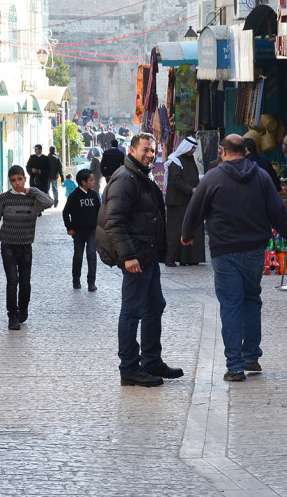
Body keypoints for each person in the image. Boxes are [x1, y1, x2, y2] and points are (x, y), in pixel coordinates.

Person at [181, 134, 287, 382]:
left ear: (222, 151)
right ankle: (251, 357)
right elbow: (276, 208)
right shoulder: (262, 176)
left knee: (231, 305)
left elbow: (195, 207)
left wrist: (187, 234)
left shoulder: (213, 177)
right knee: (252, 299)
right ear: (245, 151)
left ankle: (234, 366)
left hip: (225, 251)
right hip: (255, 249)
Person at [96, 132, 182, 387]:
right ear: (132, 150)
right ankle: (130, 368)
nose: (149, 154)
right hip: (136, 257)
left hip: (148, 254)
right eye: (145, 149)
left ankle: (151, 360)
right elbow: (114, 223)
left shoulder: (140, 176)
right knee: (132, 312)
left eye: (153, 151)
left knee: (155, 305)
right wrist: (128, 257)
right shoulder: (125, 178)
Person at [0, 165, 53, 330]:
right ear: (10, 181)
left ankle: (23, 309)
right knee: (12, 280)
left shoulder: (32, 199)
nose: (17, 184)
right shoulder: (3, 199)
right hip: (8, 245)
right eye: (13, 180)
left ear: (25, 179)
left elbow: (49, 202)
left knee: (25, 281)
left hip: (26, 246)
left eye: (20, 179)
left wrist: (34, 190)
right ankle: (12, 316)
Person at [164, 136, 206, 267]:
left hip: (189, 200)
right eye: (192, 148)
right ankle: (170, 258)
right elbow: (176, 180)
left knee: (192, 228)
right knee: (176, 230)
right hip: (177, 202)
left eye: (194, 148)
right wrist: (191, 189)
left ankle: (189, 258)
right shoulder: (175, 160)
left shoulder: (189, 159)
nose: (193, 150)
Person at [63, 169, 101, 291]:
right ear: (83, 182)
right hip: (78, 232)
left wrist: (99, 227)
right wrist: (69, 228)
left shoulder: (94, 195)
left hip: (92, 231)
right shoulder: (74, 196)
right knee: (78, 256)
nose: (93, 182)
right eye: (91, 180)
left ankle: (91, 282)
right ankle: (76, 279)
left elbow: (98, 212)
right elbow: (65, 212)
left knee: (91, 255)